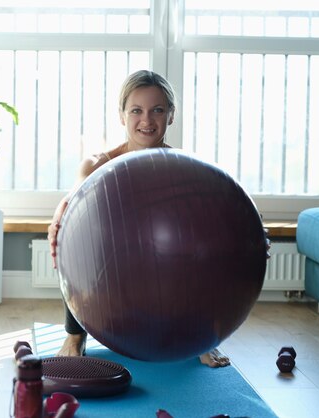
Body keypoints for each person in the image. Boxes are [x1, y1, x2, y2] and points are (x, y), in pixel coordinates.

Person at [47, 69, 232, 368]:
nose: (146, 120)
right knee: (73, 233)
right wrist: (59, 216)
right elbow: (73, 202)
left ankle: (202, 338)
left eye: (157, 110)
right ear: (122, 116)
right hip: (112, 270)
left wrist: (251, 237)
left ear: (171, 115)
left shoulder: (185, 168)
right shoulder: (97, 164)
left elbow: (222, 214)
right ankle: (75, 334)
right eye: (136, 111)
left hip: (162, 270)